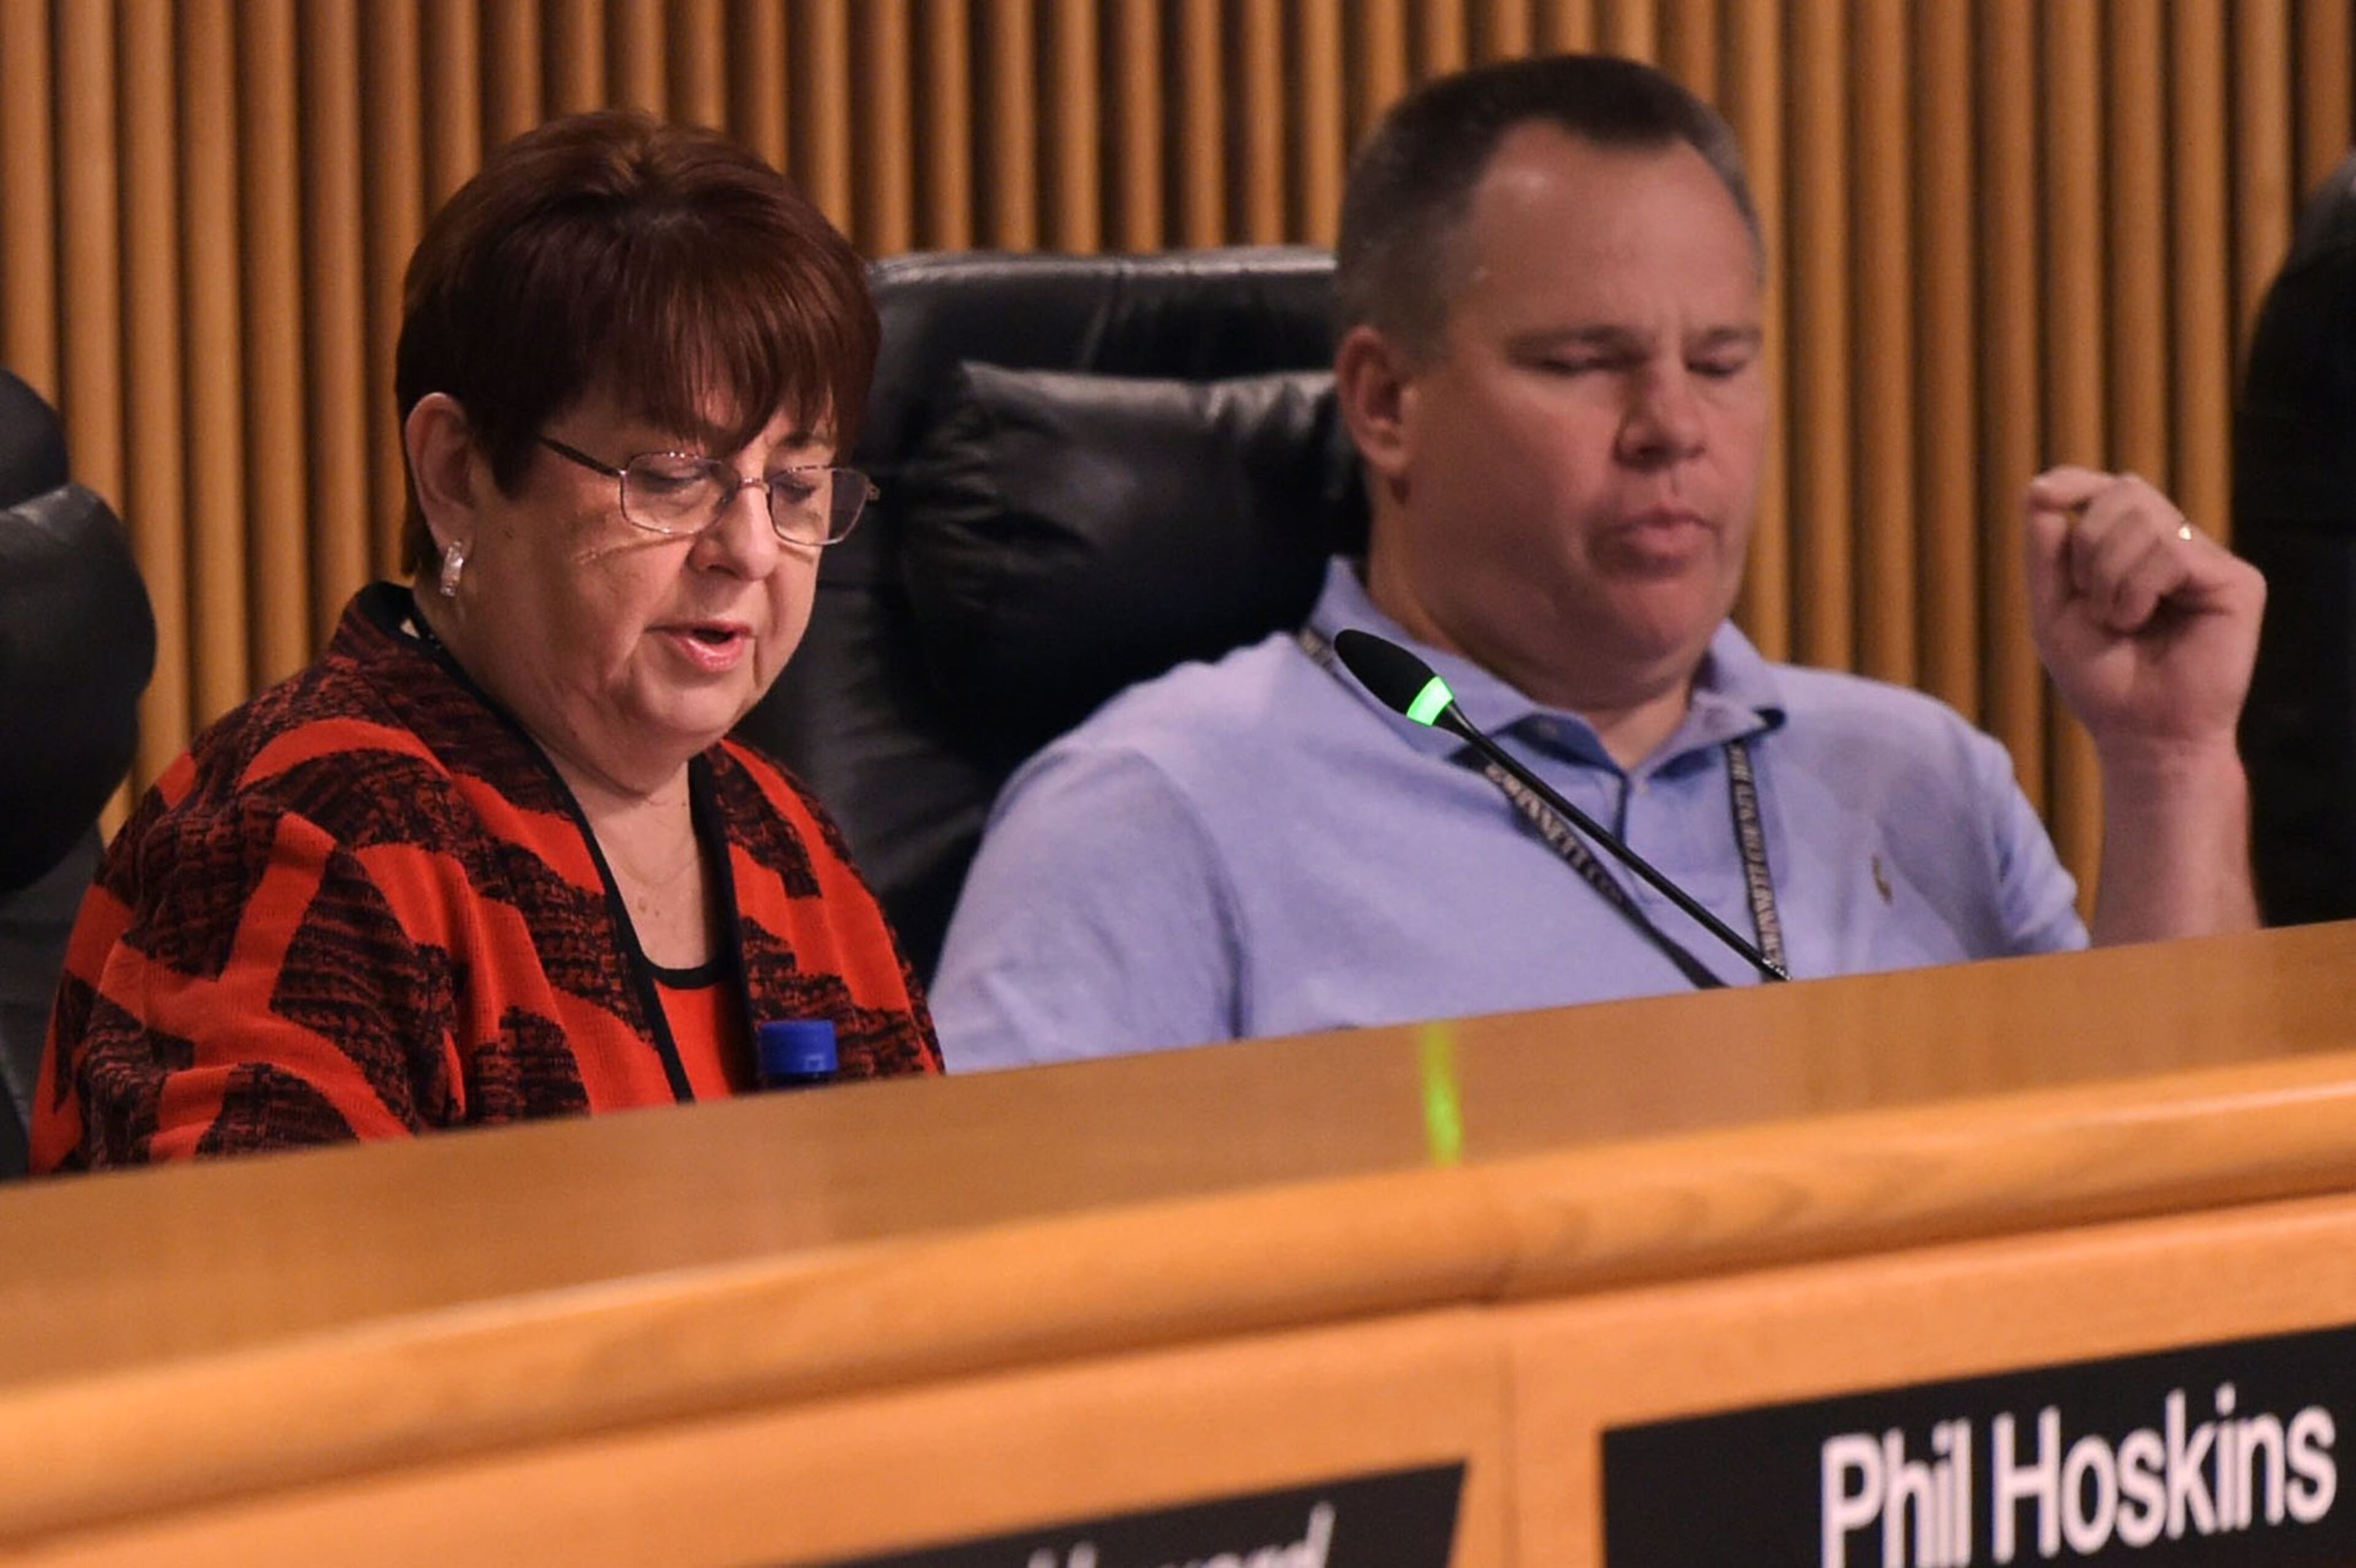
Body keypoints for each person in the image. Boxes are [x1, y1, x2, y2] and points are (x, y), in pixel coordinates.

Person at [931, 54, 2262, 1070]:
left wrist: (2171, 766)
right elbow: (994, 1332)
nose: (1674, 427)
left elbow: (2183, 1235)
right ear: (1387, 403)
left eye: (1722, 362)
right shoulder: (1157, 814)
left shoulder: (1923, 781)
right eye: (1585, 364)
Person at [35, 110, 938, 1169]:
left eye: (794, 484)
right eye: (674, 476)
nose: (748, 548)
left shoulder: (785, 847)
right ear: (459, 473)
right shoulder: (315, 835)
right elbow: (257, 1311)